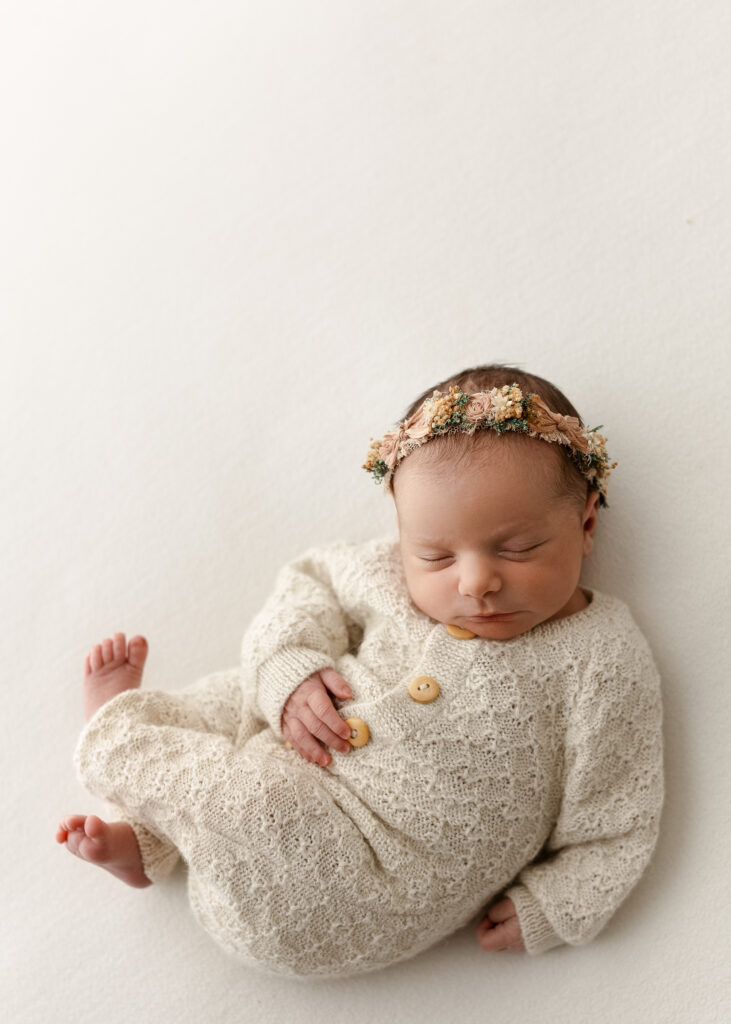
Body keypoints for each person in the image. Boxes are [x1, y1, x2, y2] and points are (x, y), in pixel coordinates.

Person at [56, 362, 665, 978]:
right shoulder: (385, 571)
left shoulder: (602, 656)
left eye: (517, 548)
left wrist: (557, 906)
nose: (476, 581)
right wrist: (291, 669)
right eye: (436, 554)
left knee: (255, 800)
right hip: (286, 748)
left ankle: (117, 738)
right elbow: (308, 584)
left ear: (585, 525)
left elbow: (618, 813)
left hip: (364, 881)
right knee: (232, 699)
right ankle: (147, 841)